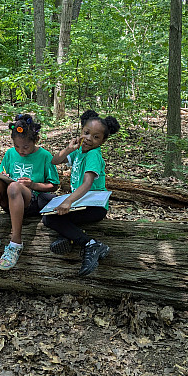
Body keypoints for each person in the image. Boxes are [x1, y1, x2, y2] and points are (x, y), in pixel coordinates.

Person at [0, 114, 59, 270]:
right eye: (17, 146)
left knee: (14, 187)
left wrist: (33, 184)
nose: (21, 151)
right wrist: (5, 177)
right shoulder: (9, 154)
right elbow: (1, 174)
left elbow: (54, 186)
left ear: (36, 140)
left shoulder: (45, 156)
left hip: (31, 201)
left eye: (26, 147)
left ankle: (15, 243)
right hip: (9, 201)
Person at [42, 110, 120, 276]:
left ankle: (90, 244)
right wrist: (69, 148)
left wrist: (68, 201)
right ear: (81, 131)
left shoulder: (93, 155)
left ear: (103, 141)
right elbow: (54, 161)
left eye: (96, 137)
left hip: (94, 206)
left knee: (50, 218)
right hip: (81, 203)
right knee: (48, 207)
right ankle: (68, 237)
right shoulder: (79, 152)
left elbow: (87, 183)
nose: (89, 139)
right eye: (86, 133)